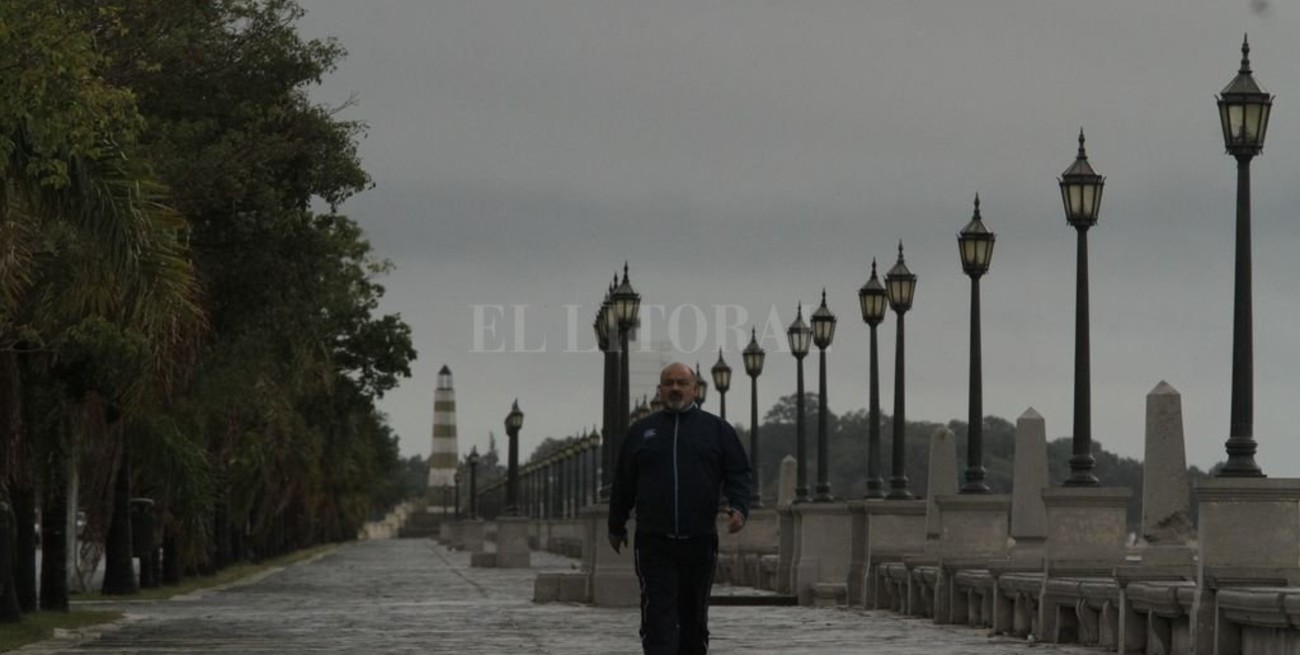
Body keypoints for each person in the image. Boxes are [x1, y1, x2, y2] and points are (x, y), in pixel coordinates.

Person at [609, 361, 753, 655]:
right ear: (660, 390)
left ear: (695, 390)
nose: (675, 388)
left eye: (682, 383)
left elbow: (739, 473)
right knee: (658, 618)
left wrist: (739, 508)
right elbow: (623, 482)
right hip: (653, 541)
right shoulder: (641, 432)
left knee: (693, 618)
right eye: (669, 383)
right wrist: (616, 525)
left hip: (699, 541)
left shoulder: (717, 430)